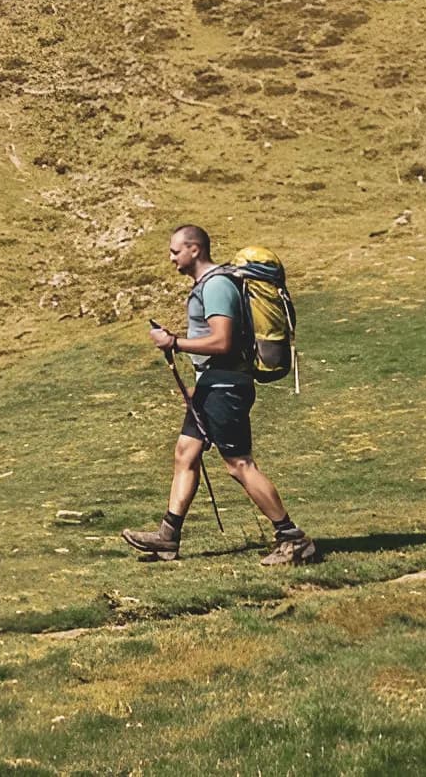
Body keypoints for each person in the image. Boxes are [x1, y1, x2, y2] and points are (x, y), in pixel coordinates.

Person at [122, 223, 319, 566]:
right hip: (213, 383)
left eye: (175, 251)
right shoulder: (209, 285)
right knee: (185, 452)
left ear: (194, 250)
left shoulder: (216, 286)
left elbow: (222, 341)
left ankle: (292, 537)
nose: (171, 259)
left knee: (239, 464)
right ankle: (168, 538)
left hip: (226, 388)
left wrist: (175, 343)